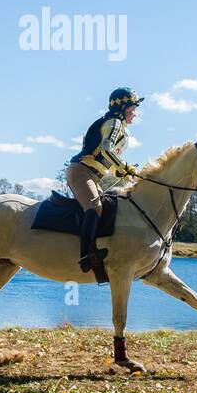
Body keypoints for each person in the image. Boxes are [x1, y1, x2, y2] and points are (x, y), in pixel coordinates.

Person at [65, 87, 142, 281]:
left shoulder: (122, 130)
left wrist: (129, 175)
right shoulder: (114, 123)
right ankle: (87, 255)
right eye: (132, 108)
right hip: (82, 171)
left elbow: (112, 166)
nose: (135, 113)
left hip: (94, 175)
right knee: (95, 206)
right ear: (122, 107)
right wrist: (125, 166)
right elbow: (107, 150)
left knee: (111, 206)